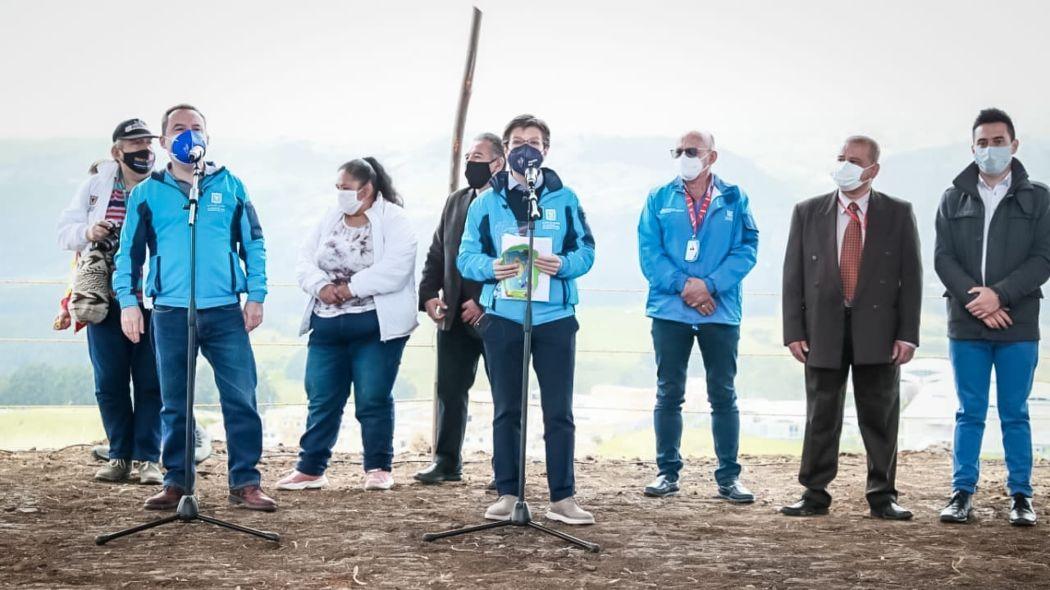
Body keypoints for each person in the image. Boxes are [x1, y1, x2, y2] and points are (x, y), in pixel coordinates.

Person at [113, 104, 276, 511]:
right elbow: (127, 254)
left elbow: (253, 243)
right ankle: (176, 482)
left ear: (208, 136)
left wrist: (256, 295)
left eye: (197, 127)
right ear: (165, 142)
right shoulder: (147, 194)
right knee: (174, 402)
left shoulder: (231, 186)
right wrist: (128, 303)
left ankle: (245, 482)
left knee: (241, 398)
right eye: (179, 129)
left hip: (224, 311)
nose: (190, 134)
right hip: (169, 312)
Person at [458, 114, 596, 525]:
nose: (526, 148)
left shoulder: (565, 198)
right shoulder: (485, 203)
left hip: (555, 317)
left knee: (559, 410)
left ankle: (563, 498)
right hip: (503, 317)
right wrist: (490, 267)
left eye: (533, 141)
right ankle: (508, 493)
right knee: (507, 408)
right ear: (505, 150)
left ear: (545, 150)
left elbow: (587, 251)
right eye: (517, 141)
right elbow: (465, 256)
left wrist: (564, 264)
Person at [781, 135, 921, 520]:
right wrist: (793, 330)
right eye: (841, 157)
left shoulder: (897, 213)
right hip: (822, 328)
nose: (844, 165)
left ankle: (882, 495)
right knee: (821, 413)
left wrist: (907, 334)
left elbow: (911, 278)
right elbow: (792, 276)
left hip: (878, 329)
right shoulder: (807, 212)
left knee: (880, 413)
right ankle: (813, 493)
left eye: (854, 160)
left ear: (873, 170)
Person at [935, 108, 1048, 527]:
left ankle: (1021, 496)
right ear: (973, 148)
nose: (990, 149)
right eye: (982, 142)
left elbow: (1043, 258)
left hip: (1018, 324)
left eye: (998, 141)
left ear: (1014, 145)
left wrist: (999, 296)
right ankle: (961, 493)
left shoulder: (1038, 197)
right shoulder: (953, 198)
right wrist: (977, 301)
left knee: (1015, 411)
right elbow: (943, 258)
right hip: (966, 324)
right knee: (969, 412)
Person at [277, 158, 417, 492]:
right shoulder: (329, 218)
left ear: (367, 190)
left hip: (374, 326)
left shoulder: (395, 220)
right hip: (327, 324)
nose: (340, 194)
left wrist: (350, 288)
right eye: (337, 188)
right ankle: (311, 468)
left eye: (345, 188)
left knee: (372, 396)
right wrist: (321, 286)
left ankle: (378, 466)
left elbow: (397, 267)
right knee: (322, 395)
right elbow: (304, 260)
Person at [637, 131, 759, 502]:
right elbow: (649, 251)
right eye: (678, 151)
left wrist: (710, 286)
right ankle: (667, 472)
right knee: (668, 392)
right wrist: (685, 287)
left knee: (722, 393)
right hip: (670, 310)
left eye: (692, 151)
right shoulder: (659, 198)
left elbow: (747, 247)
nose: (684, 157)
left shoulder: (734, 198)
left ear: (712, 157)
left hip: (718, 311)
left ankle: (728, 477)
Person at [56, 119, 163, 485]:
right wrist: (90, 231)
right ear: (117, 152)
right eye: (135, 146)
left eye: (148, 145)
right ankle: (120, 454)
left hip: (151, 297)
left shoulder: (163, 186)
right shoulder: (94, 187)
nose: (144, 153)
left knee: (152, 379)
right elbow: (64, 232)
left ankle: (149, 457)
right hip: (105, 298)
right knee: (110, 380)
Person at [414, 133, 504, 485]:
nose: (470, 163)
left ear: (498, 163)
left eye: (478, 156)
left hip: (497, 316)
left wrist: (482, 301)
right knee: (450, 391)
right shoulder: (456, 201)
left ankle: (504, 470)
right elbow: (439, 251)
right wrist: (428, 294)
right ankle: (447, 462)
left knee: (504, 396)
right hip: (452, 315)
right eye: (468, 156)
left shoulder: (509, 204)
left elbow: (512, 258)